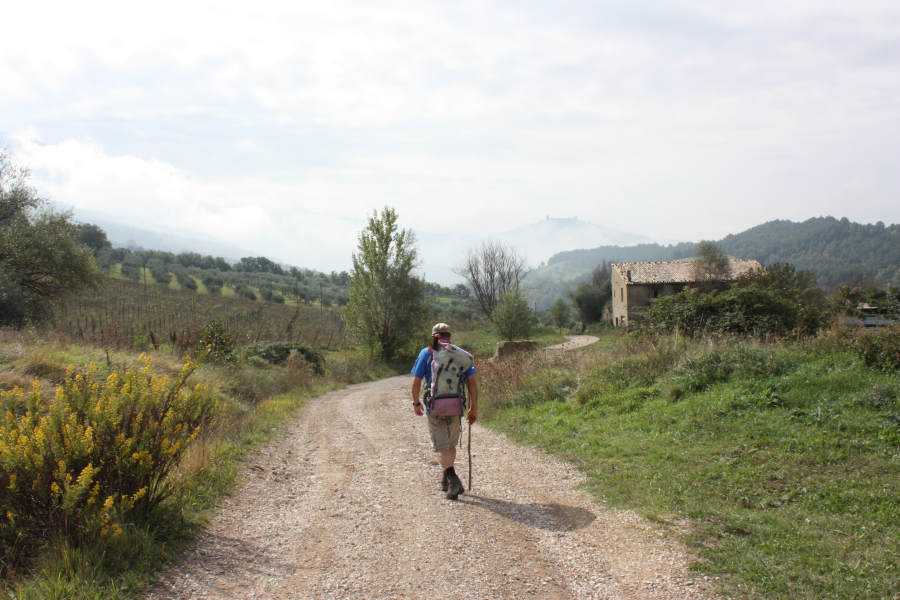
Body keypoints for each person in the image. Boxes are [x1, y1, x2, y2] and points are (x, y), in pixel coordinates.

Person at [410, 323, 478, 500]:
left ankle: (452, 478)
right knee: (451, 444)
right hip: (456, 406)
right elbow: (472, 383)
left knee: (441, 446)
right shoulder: (459, 354)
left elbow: (416, 382)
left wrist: (416, 403)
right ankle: (446, 479)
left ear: (434, 336)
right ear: (450, 336)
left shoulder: (427, 353)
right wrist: (473, 408)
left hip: (435, 407)